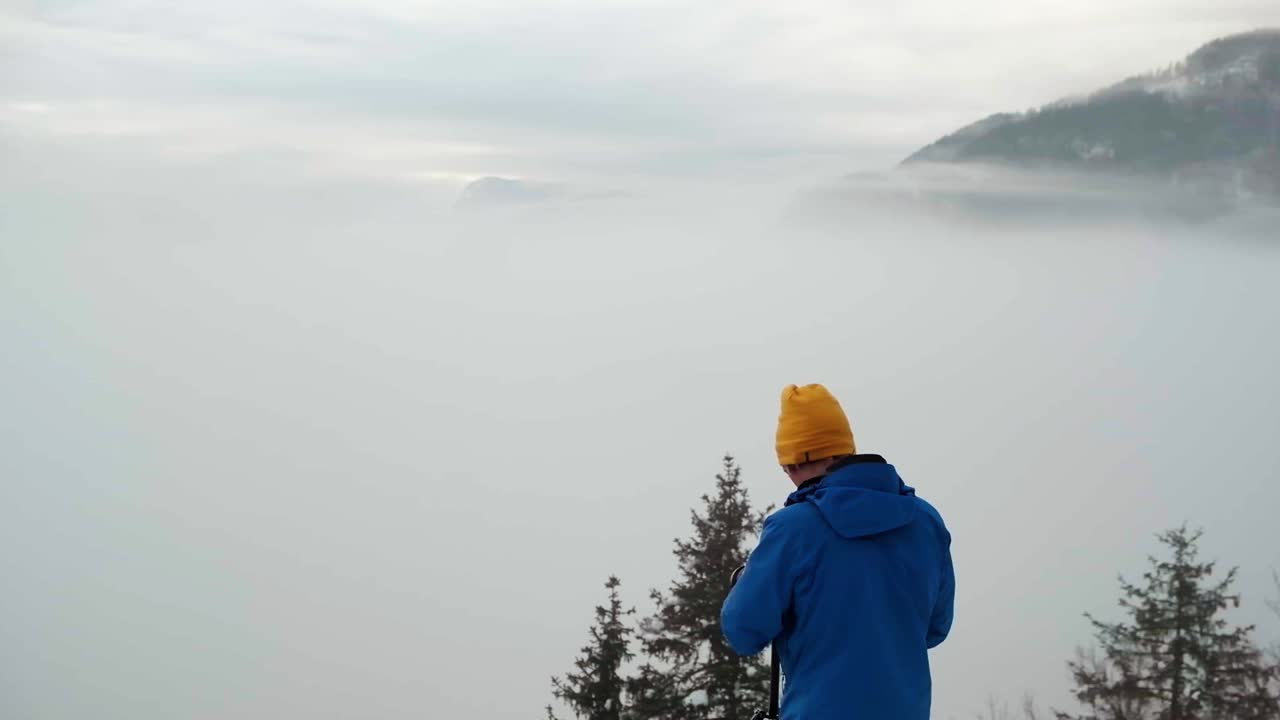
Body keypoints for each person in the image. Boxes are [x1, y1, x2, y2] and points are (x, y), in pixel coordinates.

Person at [721, 383, 955, 720]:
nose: (790, 477)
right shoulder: (925, 521)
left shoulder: (793, 529)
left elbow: (743, 630)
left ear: (819, 457)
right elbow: (935, 628)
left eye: (791, 466)